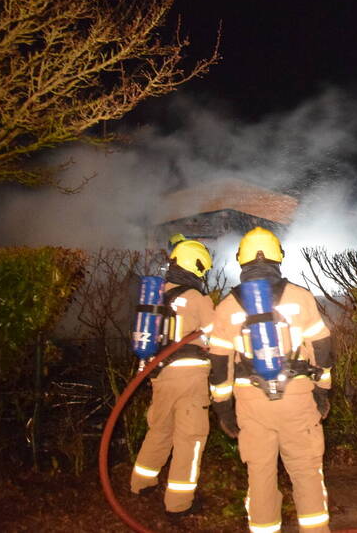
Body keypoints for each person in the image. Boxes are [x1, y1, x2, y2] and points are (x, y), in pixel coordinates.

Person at [209, 227, 334, 533]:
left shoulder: (226, 308)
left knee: (261, 475)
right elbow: (322, 346)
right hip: (298, 397)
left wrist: (222, 407)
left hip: (252, 404)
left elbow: (219, 362)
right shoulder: (300, 297)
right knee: (306, 472)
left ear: (241, 260)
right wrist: (323, 390)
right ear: (278, 257)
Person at [130, 237, 216, 519]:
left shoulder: (157, 296)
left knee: (159, 430)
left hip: (160, 375)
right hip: (190, 378)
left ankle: (141, 483)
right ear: (198, 266)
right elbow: (217, 338)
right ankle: (179, 504)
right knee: (189, 439)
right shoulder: (197, 298)